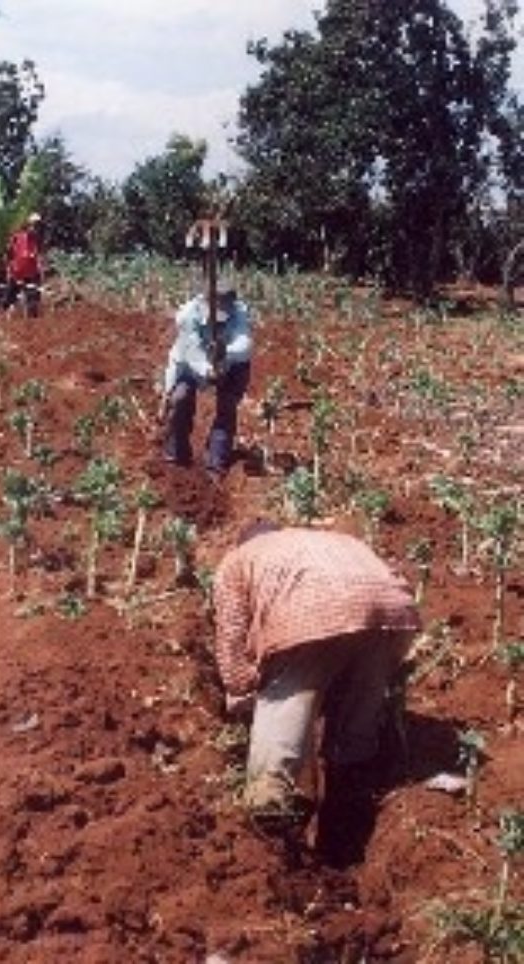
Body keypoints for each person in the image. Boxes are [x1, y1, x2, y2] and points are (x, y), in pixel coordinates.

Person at [212, 520, 421, 865]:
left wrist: (241, 690)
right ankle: (347, 819)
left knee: (281, 722)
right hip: (393, 612)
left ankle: (270, 821)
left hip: (314, 612)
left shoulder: (237, 560)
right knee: (355, 726)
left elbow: (232, 635)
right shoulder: (335, 539)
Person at [160, 278, 252, 477]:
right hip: (189, 363)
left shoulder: (240, 312)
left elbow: (244, 345)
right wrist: (208, 369)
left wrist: (225, 353)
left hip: (230, 363)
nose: (218, 321)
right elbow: (191, 351)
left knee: (227, 406)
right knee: (179, 398)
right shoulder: (187, 315)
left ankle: (216, 461)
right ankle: (176, 454)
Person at [4, 212, 46, 316]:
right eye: (34, 225)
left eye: (38, 226)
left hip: (31, 275)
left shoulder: (38, 241)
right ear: (29, 225)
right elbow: (8, 254)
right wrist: (9, 270)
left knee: (33, 302)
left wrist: (41, 272)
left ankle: (31, 322)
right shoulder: (17, 238)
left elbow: (39, 258)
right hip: (16, 273)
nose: (36, 228)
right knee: (9, 302)